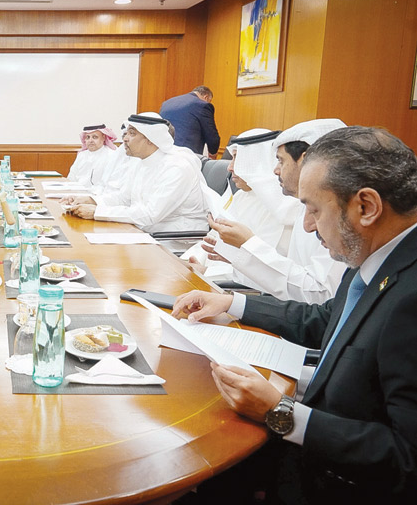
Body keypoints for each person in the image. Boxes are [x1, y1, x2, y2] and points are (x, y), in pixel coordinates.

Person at [171, 126, 417, 504]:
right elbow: (326, 320)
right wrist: (233, 303)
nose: (307, 225)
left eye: (314, 209)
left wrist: (280, 411)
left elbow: (406, 459)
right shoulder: (375, 252)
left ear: (366, 207)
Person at [201, 119, 348, 303]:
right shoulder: (301, 204)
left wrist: (248, 245)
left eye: (281, 161)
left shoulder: (335, 213)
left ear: (305, 161)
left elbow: (319, 295)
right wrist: (240, 257)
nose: (275, 170)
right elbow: (290, 281)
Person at [183, 128, 300, 281]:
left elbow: (266, 269)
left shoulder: (282, 207)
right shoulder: (241, 195)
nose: (230, 167)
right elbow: (212, 238)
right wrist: (187, 262)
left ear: (256, 162)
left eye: (237, 159)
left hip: (234, 288)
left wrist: (207, 272)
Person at [63, 113, 209, 233]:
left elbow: (150, 214)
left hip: (173, 238)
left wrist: (97, 212)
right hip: (143, 230)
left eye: (132, 133)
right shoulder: (140, 162)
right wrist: (90, 200)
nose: (125, 138)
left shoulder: (176, 167)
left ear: (151, 139)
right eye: (126, 133)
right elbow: (124, 198)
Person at [159, 86, 220, 156]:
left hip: (162, 151)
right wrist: (213, 152)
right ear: (206, 97)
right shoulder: (202, 105)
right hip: (185, 155)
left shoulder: (167, 103)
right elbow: (211, 134)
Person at [66, 124, 117, 189]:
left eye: (95, 137)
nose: (90, 140)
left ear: (103, 138)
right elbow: (71, 177)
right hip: (78, 191)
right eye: (88, 137)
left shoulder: (111, 155)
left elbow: (111, 183)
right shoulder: (82, 155)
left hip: (100, 193)